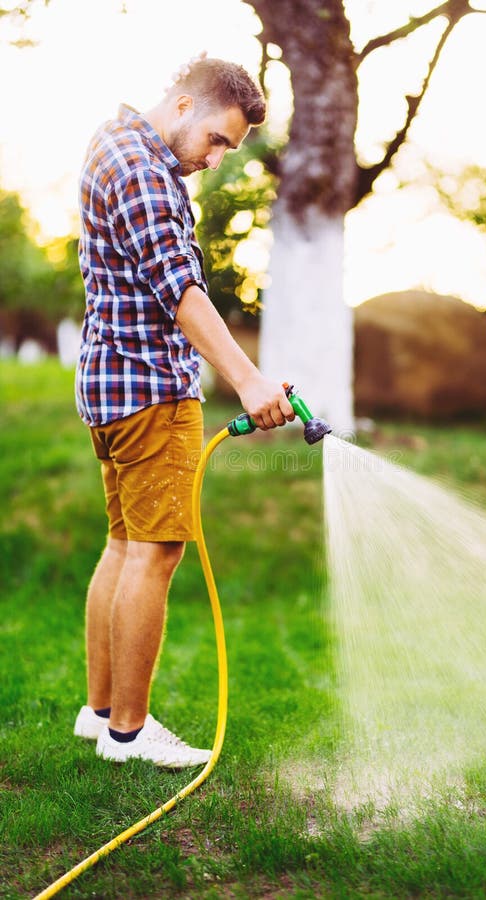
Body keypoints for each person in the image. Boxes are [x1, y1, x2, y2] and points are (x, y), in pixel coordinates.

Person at [73, 55, 294, 768]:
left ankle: (100, 713)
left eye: (230, 148)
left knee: (123, 545)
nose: (218, 158)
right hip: (150, 391)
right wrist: (250, 381)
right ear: (182, 105)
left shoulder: (114, 142)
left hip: (110, 388)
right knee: (156, 553)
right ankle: (129, 735)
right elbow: (181, 290)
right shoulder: (146, 171)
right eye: (217, 139)